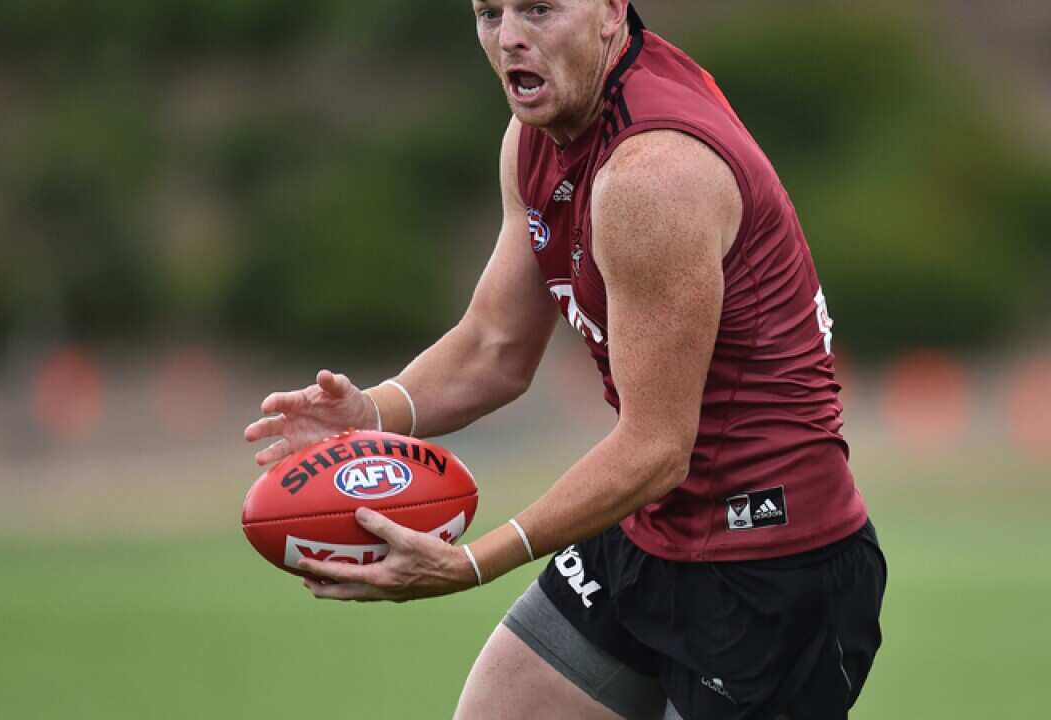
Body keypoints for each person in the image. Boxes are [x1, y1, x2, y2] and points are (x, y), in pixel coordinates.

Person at [244, 3, 886, 718]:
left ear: (613, 10)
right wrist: (372, 412)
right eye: (490, 12)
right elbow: (496, 347)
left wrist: (473, 561)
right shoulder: (534, 139)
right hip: (649, 533)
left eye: (540, 8)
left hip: (771, 569)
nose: (509, 36)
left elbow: (655, 449)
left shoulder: (651, 176)